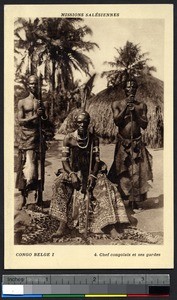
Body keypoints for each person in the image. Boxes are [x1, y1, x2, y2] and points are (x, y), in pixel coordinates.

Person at [49, 110, 129, 239]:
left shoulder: (93, 139)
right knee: (59, 185)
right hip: (73, 170)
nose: (82, 125)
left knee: (106, 188)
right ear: (76, 123)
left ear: (88, 123)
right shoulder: (68, 138)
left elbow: (97, 160)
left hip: (92, 171)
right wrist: (72, 175)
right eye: (79, 122)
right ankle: (62, 225)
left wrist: (92, 176)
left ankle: (110, 226)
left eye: (84, 122)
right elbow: (64, 160)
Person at [108, 78, 153, 208]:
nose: (131, 89)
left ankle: (134, 200)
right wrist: (126, 108)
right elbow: (117, 121)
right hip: (122, 142)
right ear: (124, 89)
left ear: (136, 89)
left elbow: (144, 124)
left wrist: (135, 112)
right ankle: (125, 198)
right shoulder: (117, 104)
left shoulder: (141, 105)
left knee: (137, 170)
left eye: (133, 87)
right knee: (122, 170)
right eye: (128, 87)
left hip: (137, 142)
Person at [15, 75, 48, 208]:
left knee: (40, 167)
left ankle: (39, 195)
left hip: (38, 137)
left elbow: (45, 120)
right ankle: (23, 197)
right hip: (25, 137)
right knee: (24, 166)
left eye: (36, 84)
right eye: (32, 84)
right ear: (28, 85)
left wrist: (43, 114)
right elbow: (20, 120)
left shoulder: (41, 102)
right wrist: (35, 116)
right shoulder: (22, 102)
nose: (34, 86)